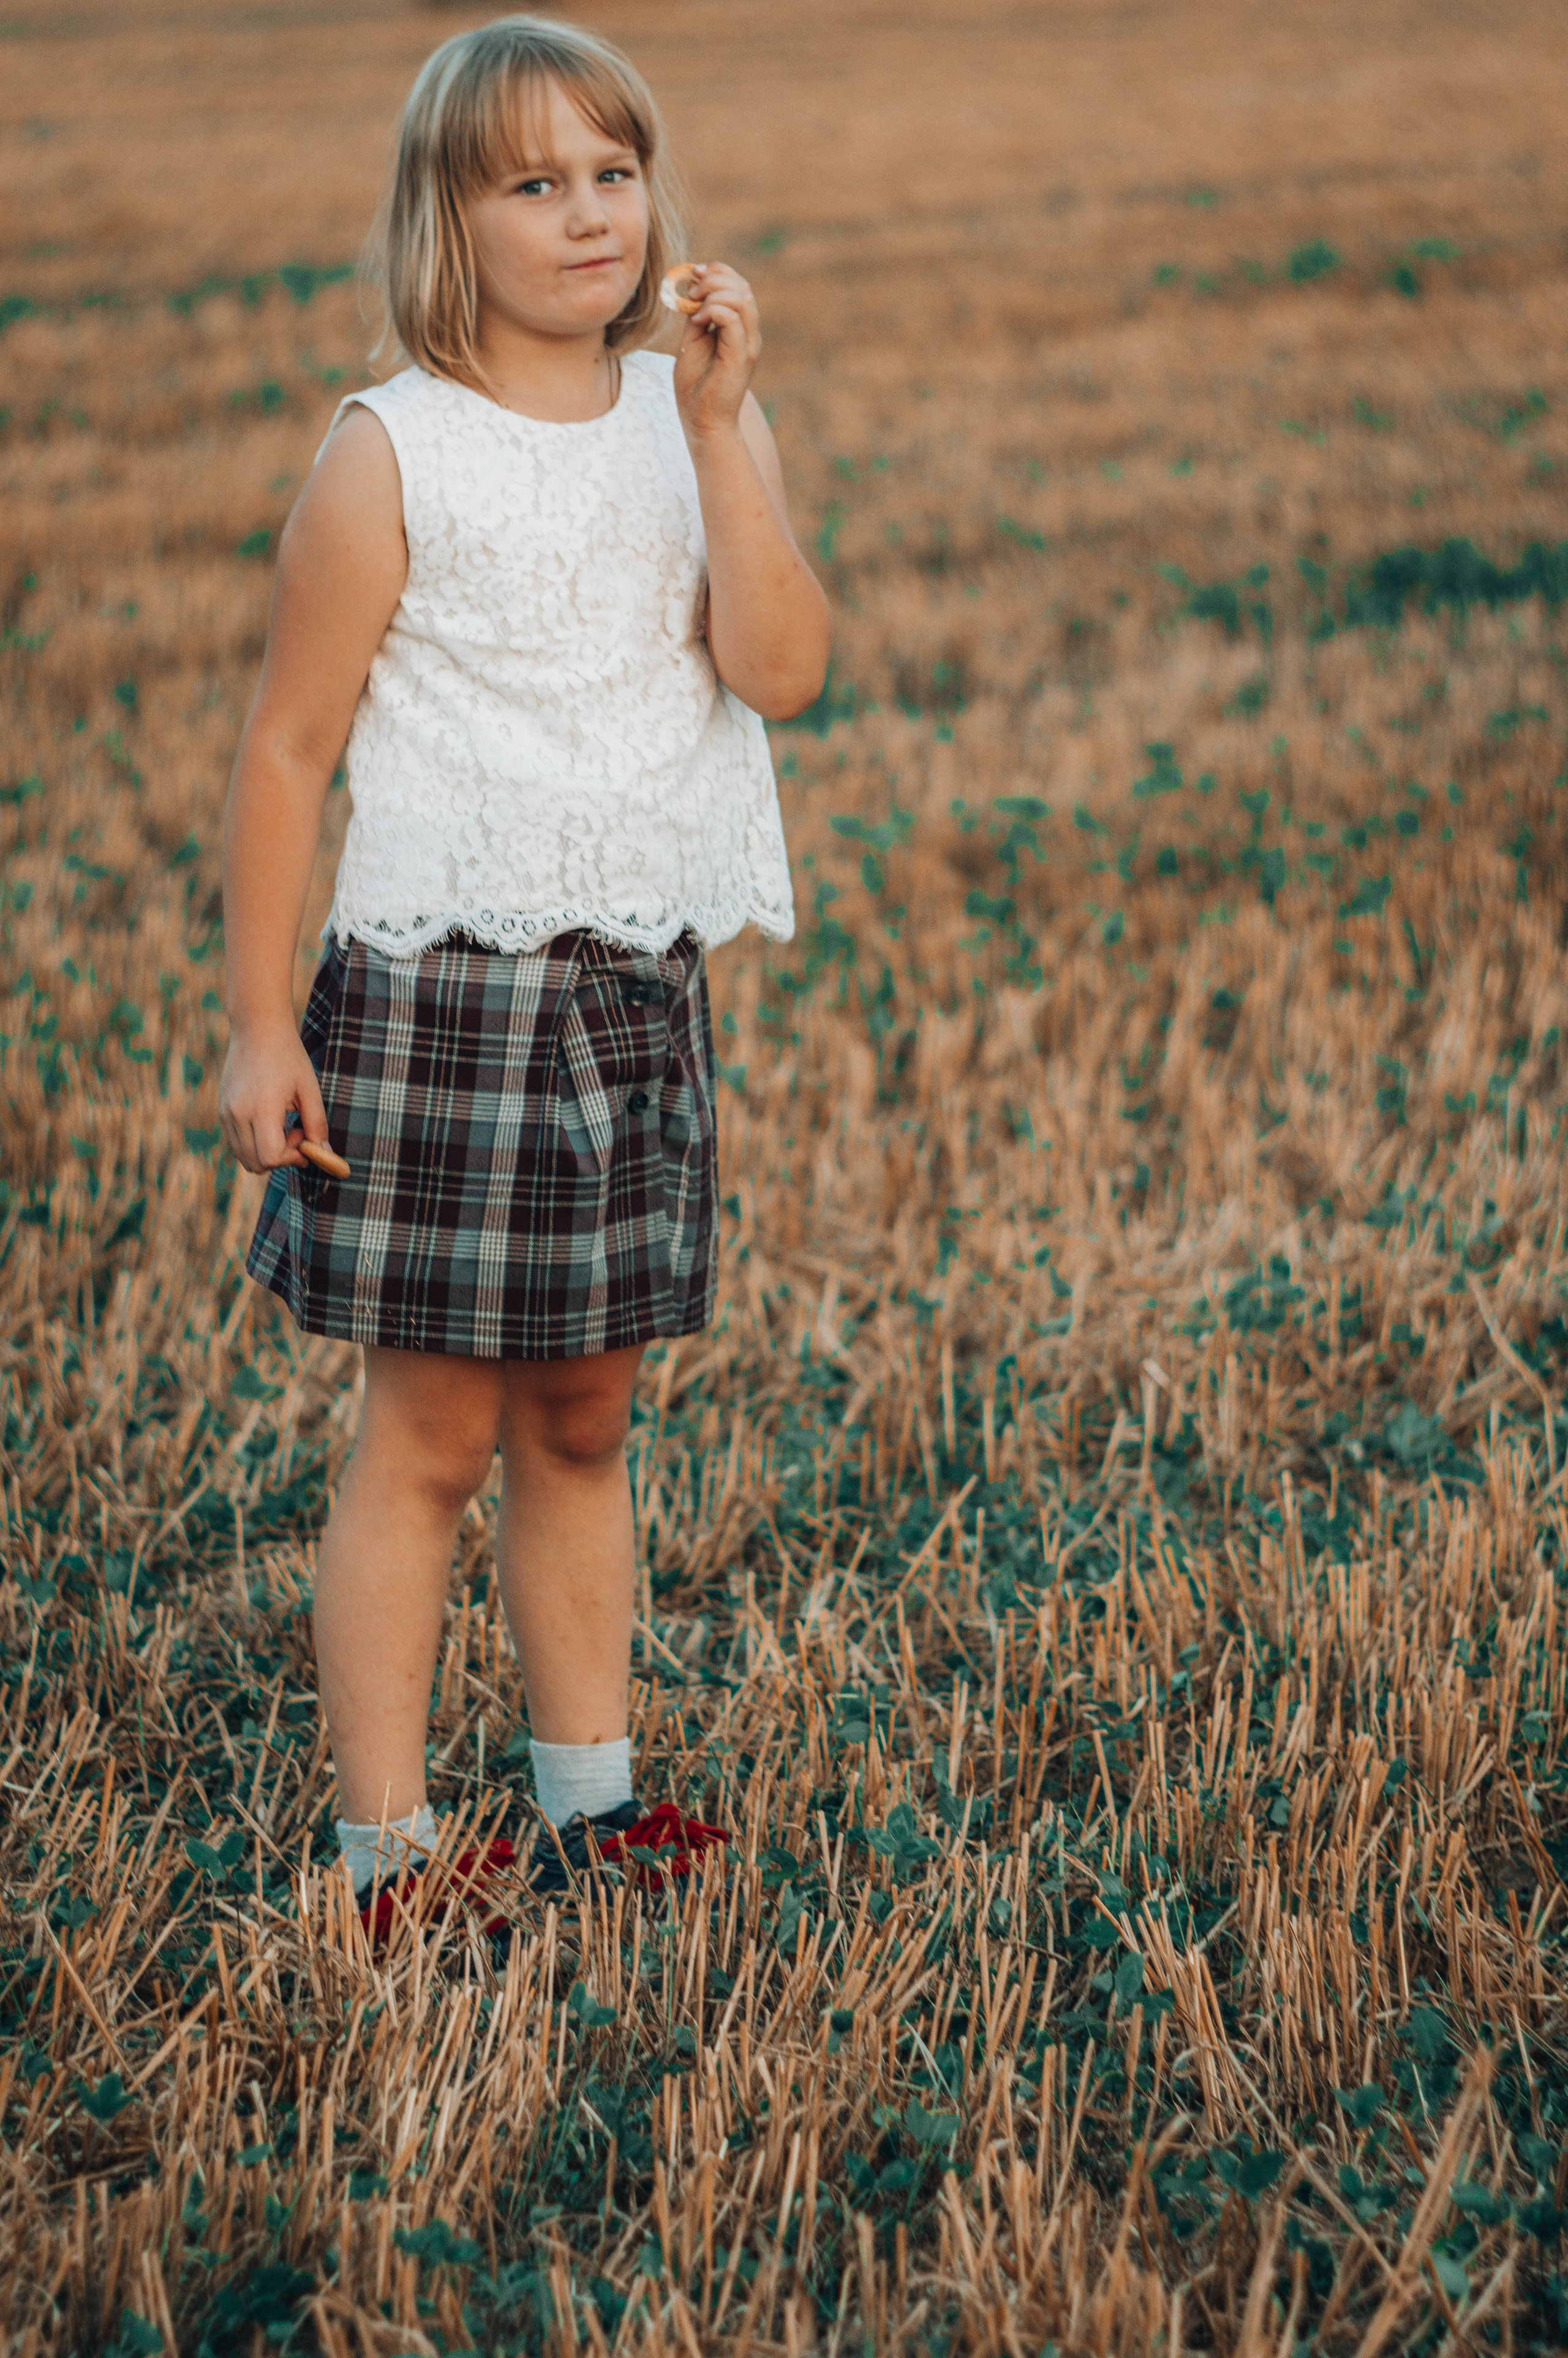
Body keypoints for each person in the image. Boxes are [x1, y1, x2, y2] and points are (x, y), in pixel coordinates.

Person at [217, 13, 829, 1943]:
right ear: (447, 218)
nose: (589, 214)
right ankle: (386, 1861)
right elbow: (285, 751)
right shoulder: (392, 446)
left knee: (583, 1420)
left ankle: (589, 1806)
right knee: (428, 1438)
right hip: (441, 998)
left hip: (635, 993)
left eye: (615, 172)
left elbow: (786, 668)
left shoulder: (690, 419)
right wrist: (255, 1022)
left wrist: (723, 429)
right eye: (534, 181)